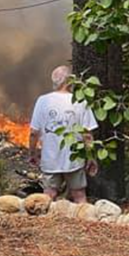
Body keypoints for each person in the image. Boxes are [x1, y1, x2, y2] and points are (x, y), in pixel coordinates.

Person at [29, 65, 99, 203]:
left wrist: (33, 153)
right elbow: (87, 135)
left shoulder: (42, 101)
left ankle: (46, 223)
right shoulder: (80, 101)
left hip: (50, 158)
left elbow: (33, 132)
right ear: (70, 81)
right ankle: (83, 221)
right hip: (74, 159)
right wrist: (91, 157)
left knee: (48, 196)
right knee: (79, 195)